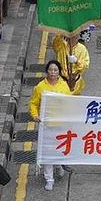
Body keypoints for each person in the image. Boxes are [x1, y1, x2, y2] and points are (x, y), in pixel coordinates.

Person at [29, 60, 72, 191]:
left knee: (59, 147)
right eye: (50, 70)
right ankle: (49, 179)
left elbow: (70, 102)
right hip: (46, 125)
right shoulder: (40, 87)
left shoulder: (64, 86)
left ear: (59, 72)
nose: (53, 72)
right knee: (47, 150)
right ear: (47, 71)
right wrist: (35, 115)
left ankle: (58, 164)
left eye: (55, 70)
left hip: (60, 124)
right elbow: (34, 103)